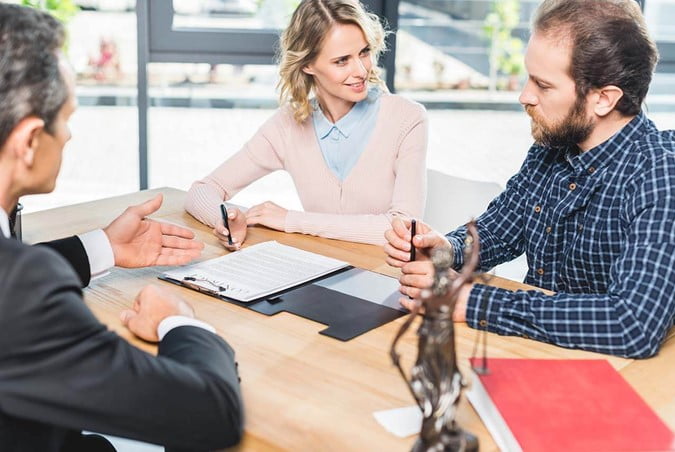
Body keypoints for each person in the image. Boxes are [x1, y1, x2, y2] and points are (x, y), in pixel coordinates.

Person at [0, 5, 243, 451]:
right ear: (30, 141)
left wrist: (104, 247)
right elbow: (211, 415)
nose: (69, 136)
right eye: (66, 119)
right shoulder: (20, 287)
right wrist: (179, 322)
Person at [384, 0, 675, 359]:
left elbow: (632, 324)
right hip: (533, 356)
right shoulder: (551, 148)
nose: (525, 96)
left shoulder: (661, 176)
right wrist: (447, 250)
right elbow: (497, 233)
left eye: (543, 85)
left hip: (615, 377)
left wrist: (473, 301)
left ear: (604, 98)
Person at [185, 0, 427, 248]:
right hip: (320, 271)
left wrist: (292, 220)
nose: (361, 70)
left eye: (364, 52)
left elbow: (405, 230)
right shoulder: (288, 125)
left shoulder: (406, 118)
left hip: (386, 277)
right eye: (342, 60)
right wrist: (225, 221)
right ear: (308, 64)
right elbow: (202, 191)